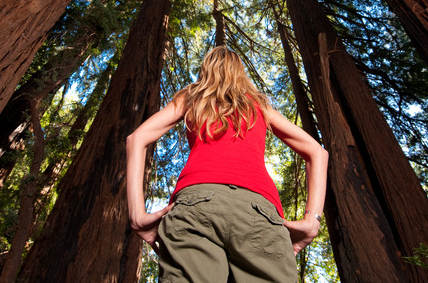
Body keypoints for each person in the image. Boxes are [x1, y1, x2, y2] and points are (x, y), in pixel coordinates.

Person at [126, 46, 328, 282]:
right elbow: (317, 152)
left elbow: (136, 138)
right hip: (258, 210)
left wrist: (137, 215)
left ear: (205, 70)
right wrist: (312, 221)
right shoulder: (259, 105)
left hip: (195, 205)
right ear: (239, 72)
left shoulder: (191, 97)